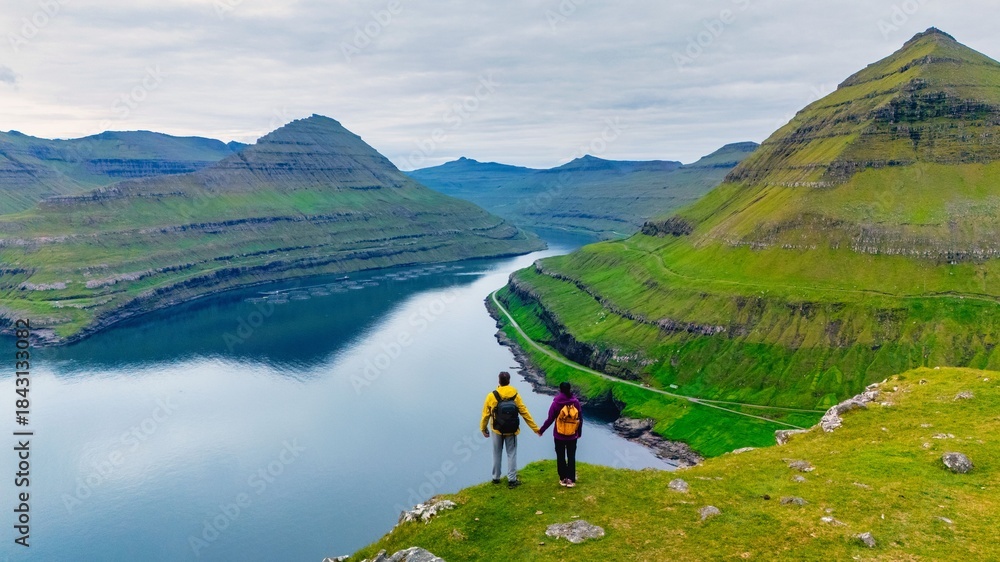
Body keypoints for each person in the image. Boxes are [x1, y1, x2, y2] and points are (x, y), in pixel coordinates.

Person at [480, 371, 540, 489]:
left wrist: (483, 429)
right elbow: (524, 413)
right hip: (511, 430)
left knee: (496, 453)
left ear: (499, 381)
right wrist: (535, 428)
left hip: (497, 429)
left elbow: (485, 415)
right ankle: (512, 480)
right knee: (511, 453)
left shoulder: (491, 396)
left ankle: (496, 478)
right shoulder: (515, 395)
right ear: (509, 381)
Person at [538, 382, 582, 487]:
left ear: (560, 390)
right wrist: (579, 432)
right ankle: (570, 479)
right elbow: (580, 418)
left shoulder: (556, 403)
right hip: (572, 435)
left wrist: (541, 430)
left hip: (559, 435)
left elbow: (550, 419)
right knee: (571, 456)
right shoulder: (575, 402)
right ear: (570, 389)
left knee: (560, 456)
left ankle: (563, 479)